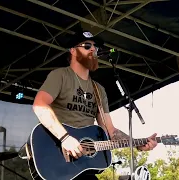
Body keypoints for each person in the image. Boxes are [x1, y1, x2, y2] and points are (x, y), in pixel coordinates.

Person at [32, 30, 158, 179]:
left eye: (95, 47)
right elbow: (39, 105)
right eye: (87, 46)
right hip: (58, 155)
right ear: (72, 50)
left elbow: (110, 131)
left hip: (84, 162)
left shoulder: (99, 90)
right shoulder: (60, 76)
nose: (93, 49)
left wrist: (137, 143)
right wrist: (65, 138)